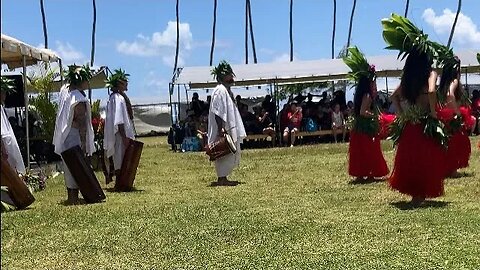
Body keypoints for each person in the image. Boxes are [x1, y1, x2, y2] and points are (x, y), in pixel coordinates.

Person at [383, 14, 448, 205]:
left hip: (411, 125)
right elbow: (431, 90)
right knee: (425, 159)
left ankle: (415, 195)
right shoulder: (430, 73)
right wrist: (434, 113)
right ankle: (420, 195)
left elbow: (393, 96)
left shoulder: (408, 77)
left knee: (412, 160)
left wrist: (403, 114)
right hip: (425, 123)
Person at [343, 47, 389, 182]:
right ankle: (369, 173)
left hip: (358, 127)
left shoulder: (360, 94)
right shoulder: (367, 95)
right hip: (365, 127)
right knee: (369, 150)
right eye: (373, 82)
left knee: (360, 151)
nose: (374, 84)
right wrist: (376, 116)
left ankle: (361, 174)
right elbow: (363, 112)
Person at [53, 65, 95, 205]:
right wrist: (84, 143)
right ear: (81, 81)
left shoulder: (65, 92)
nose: (88, 83)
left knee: (69, 165)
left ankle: (72, 196)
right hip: (74, 134)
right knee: (76, 164)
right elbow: (81, 120)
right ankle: (73, 198)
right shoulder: (78, 98)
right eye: (86, 80)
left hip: (65, 135)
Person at [208, 60, 246, 186]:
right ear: (221, 77)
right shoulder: (219, 90)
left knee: (229, 151)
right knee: (223, 151)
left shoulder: (226, 90)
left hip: (229, 126)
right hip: (224, 127)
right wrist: (221, 129)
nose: (232, 77)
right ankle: (222, 178)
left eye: (231, 74)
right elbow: (218, 111)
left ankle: (224, 177)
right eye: (229, 75)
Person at [437, 55, 473, 177]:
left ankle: (447, 168)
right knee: (458, 142)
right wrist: (457, 112)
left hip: (444, 116)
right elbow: (450, 95)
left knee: (447, 142)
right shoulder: (454, 81)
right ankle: (452, 170)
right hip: (452, 116)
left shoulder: (443, 82)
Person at [104, 69, 136, 187]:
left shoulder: (114, 97)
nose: (127, 84)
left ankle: (121, 182)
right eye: (124, 82)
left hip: (118, 133)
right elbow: (119, 119)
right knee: (120, 158)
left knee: (119, 158)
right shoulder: (118, 98)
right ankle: (120, 183)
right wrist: (124, 137)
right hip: (119, 134)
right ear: (119, 84)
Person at [1, 76, 25, 174]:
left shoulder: (1, 107)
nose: (5, 95)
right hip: (5, 147)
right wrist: (3, 150)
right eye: (3, 92)